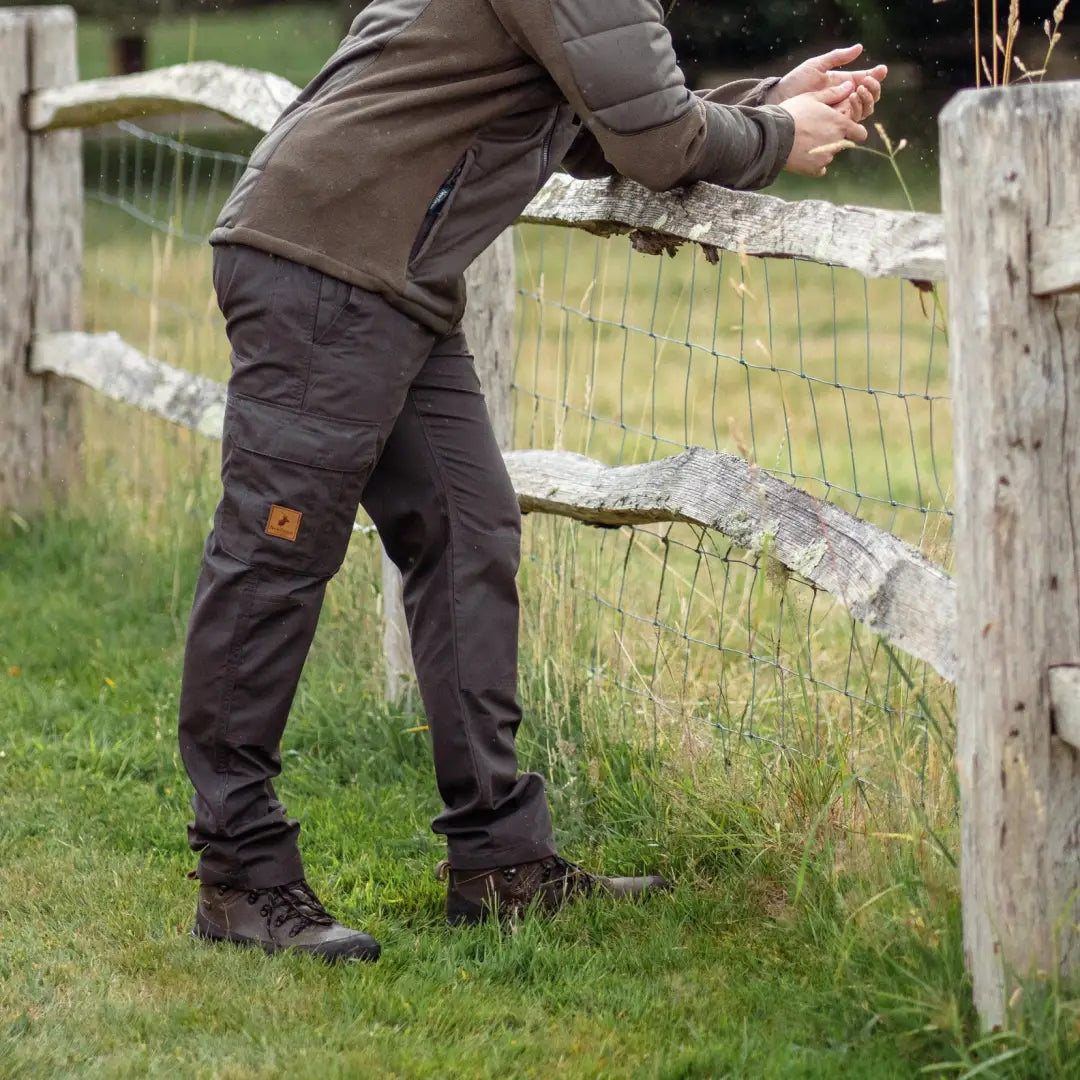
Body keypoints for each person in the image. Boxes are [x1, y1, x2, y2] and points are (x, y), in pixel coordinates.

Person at [178, 0, 886, 963]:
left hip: (389, 278)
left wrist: (770, 101)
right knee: (275, 557)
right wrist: (775, 135)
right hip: (329, 268)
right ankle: (240, 878)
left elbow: (603, 122)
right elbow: (655, 143)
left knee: (470, 533)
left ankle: (502, 862)